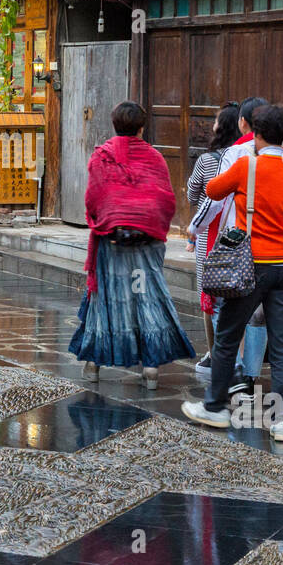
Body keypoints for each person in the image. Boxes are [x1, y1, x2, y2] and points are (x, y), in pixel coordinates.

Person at [182, 105, 283, 441]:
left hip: (250, 265)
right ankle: (282, 422)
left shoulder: (247, 166)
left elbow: (212, 191)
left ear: (256, 134)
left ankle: (214, 406)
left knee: (228, 334)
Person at [69, 101, 194, 390]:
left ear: (114, 125)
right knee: (145, 295)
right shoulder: (154, 158)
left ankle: (94, 363)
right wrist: (148, 221)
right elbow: (166, 199)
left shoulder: (101, 157)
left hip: (111, 240)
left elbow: (94, 197)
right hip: (146, 243)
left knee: (106, 297)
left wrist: (107, 218)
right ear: (141, 127)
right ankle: (150, 369)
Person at [195, 96, 272, 395]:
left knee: (225, 306)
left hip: (238, 242)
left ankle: (233, 371)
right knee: (259, 314)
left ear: (243, 122)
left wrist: (194, 229)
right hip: (274, 249)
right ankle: (250, 377)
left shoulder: (236, 154)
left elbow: (215, 197)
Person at [185, 103, 241, 368]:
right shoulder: (247, 157)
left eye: (217, 120)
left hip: (209, 235)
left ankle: (214, 353)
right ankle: (238, 356)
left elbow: (192, 193)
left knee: (209, 297)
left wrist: (196, 221)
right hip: (239, 235)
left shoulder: (207, 160)